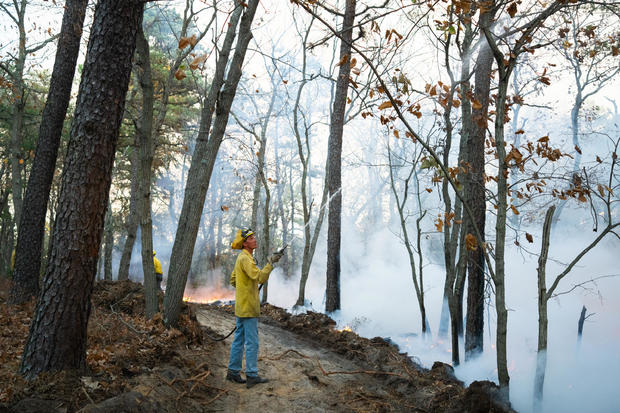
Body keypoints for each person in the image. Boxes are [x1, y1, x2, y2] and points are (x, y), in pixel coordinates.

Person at [226, 228, 283, 388]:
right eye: (251, 238)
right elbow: (259, 277)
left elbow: (233, 280)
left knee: (238, 340)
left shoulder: (241, 258)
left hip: (241, 306)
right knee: (252, 342)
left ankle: (233, 372)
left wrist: (244, 287)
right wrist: (270, 263)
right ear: (245, 243)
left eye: (254, 237)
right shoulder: (246, 258)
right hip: (249, 308)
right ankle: (251, 375)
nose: (255, 240)